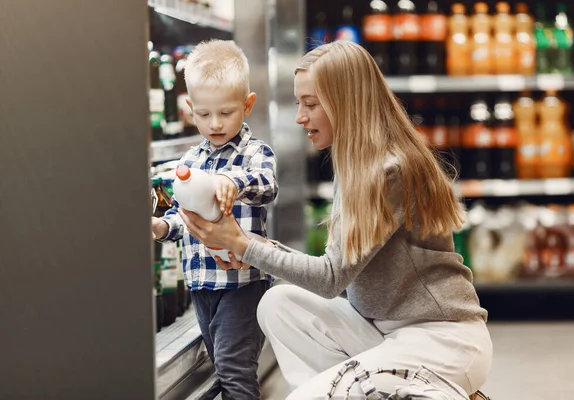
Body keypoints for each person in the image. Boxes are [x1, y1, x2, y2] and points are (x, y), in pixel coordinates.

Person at [178, 40, 492, 399]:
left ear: (347, 101)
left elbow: (330, 279)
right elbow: (335, 268)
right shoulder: (355, 165)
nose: (300, 116)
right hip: (382, 332)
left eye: (310, 104)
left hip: (440, 341)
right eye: (299, 103)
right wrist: (255, 245)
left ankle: (429, 390)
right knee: (278, 304)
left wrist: (242, 244)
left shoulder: (390, 171)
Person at [152, 39, 278, 400]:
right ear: (190, 109)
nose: (215, 123)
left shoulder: (256, 153)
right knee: (220, 369)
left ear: (247, 105)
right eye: (204, 114)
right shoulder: (190, 159)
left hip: (242, 283)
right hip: (201, 284)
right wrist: (163, 226)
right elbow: (183, 215)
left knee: (235, 371)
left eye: (226, 112)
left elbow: (267, 186)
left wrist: (231, 182)